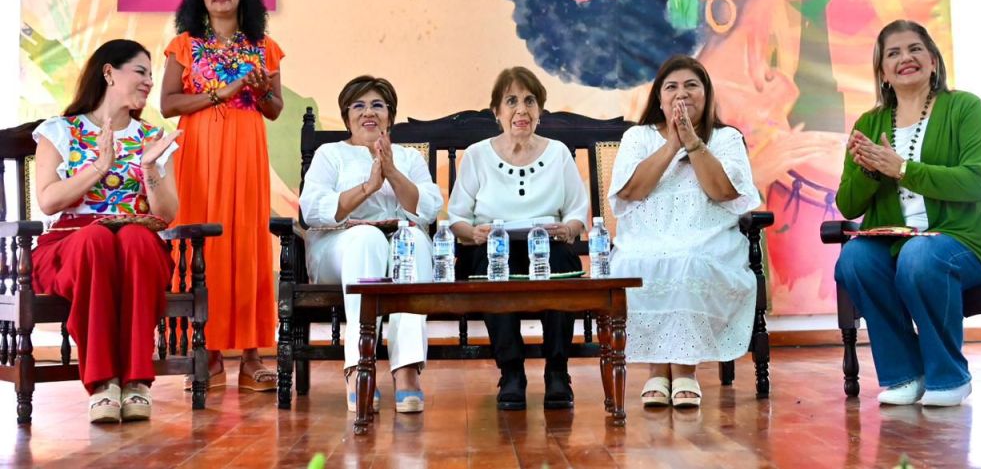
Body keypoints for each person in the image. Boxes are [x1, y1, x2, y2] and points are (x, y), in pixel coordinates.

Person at [834, 20, 981, 407]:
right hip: (896, 243)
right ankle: (905, 374)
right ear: (882, 73)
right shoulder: (869, 124)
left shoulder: (965, 108)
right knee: (855, 258)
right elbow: (848, 205)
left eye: (914, 49)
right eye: (893, 53)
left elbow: (978, 182)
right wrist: (871, 172)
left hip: (964, 241)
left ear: (933, 61)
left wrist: (904, 169)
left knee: (921, 255)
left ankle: (949, 376)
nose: (905, 58)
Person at [32, 39, 181, 423]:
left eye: (151, 75)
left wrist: (149, 167)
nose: (149, 82)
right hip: (71, 244)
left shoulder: (153, 138)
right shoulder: (61, 130)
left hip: (135, 243)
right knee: (97, 238)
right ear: (109, 73)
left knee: (134, 238)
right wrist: (100, 166)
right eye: (141, 71)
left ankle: (136, 382)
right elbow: (48, 201)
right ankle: (102, 384)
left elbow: (167, 214)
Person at [160, 0, 284, 392]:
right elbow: (168, 104)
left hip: (247, 152)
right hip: (198, 152)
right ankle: (206, 352)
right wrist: (221, 93)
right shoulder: (184, 45)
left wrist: (259, 91)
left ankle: (252, 356)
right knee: (203, 246)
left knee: (247, 242)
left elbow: (274, 109)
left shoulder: (264, 47)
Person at [608, 55, 759, 408]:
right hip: (644, 240)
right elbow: (631, 191)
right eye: (671, 87)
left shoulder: (726, 138)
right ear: (659, 99)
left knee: (688, 259)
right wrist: (672, 145)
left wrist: (692, 142)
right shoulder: (638, 137)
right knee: (638, 263)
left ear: (706, 94)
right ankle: (657, 372)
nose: (682, 93)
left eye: (691, 85)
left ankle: (685, 372)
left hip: (709, 241)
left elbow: (723, 191)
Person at [448, 67, 589, 410]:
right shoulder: (477, 154)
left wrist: (569, 229)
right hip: (492, 247)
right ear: (496, 111)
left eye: (530, 101)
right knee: (493, 268)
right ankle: (511, 372)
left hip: (546, 245)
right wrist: (474, 234)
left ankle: (557, 371)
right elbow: (457, 219)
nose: (521, 110)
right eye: (511, 101)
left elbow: (577, 212)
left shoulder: (558, 153)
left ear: (540, 111)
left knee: (561, 263)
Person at [299, 76, 441, 413]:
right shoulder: (330, 154)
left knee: (413, 241)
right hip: (339, 248)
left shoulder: (408, 158)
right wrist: (367, 187)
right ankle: (358, 368)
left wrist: (391, 171)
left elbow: (428, 208)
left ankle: (407, 370)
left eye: (377, 105)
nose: (368, 113)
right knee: (367, 238)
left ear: (390, 116)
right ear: (347, 116)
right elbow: (312, 209)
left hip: (397, 246)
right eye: (359, 106)